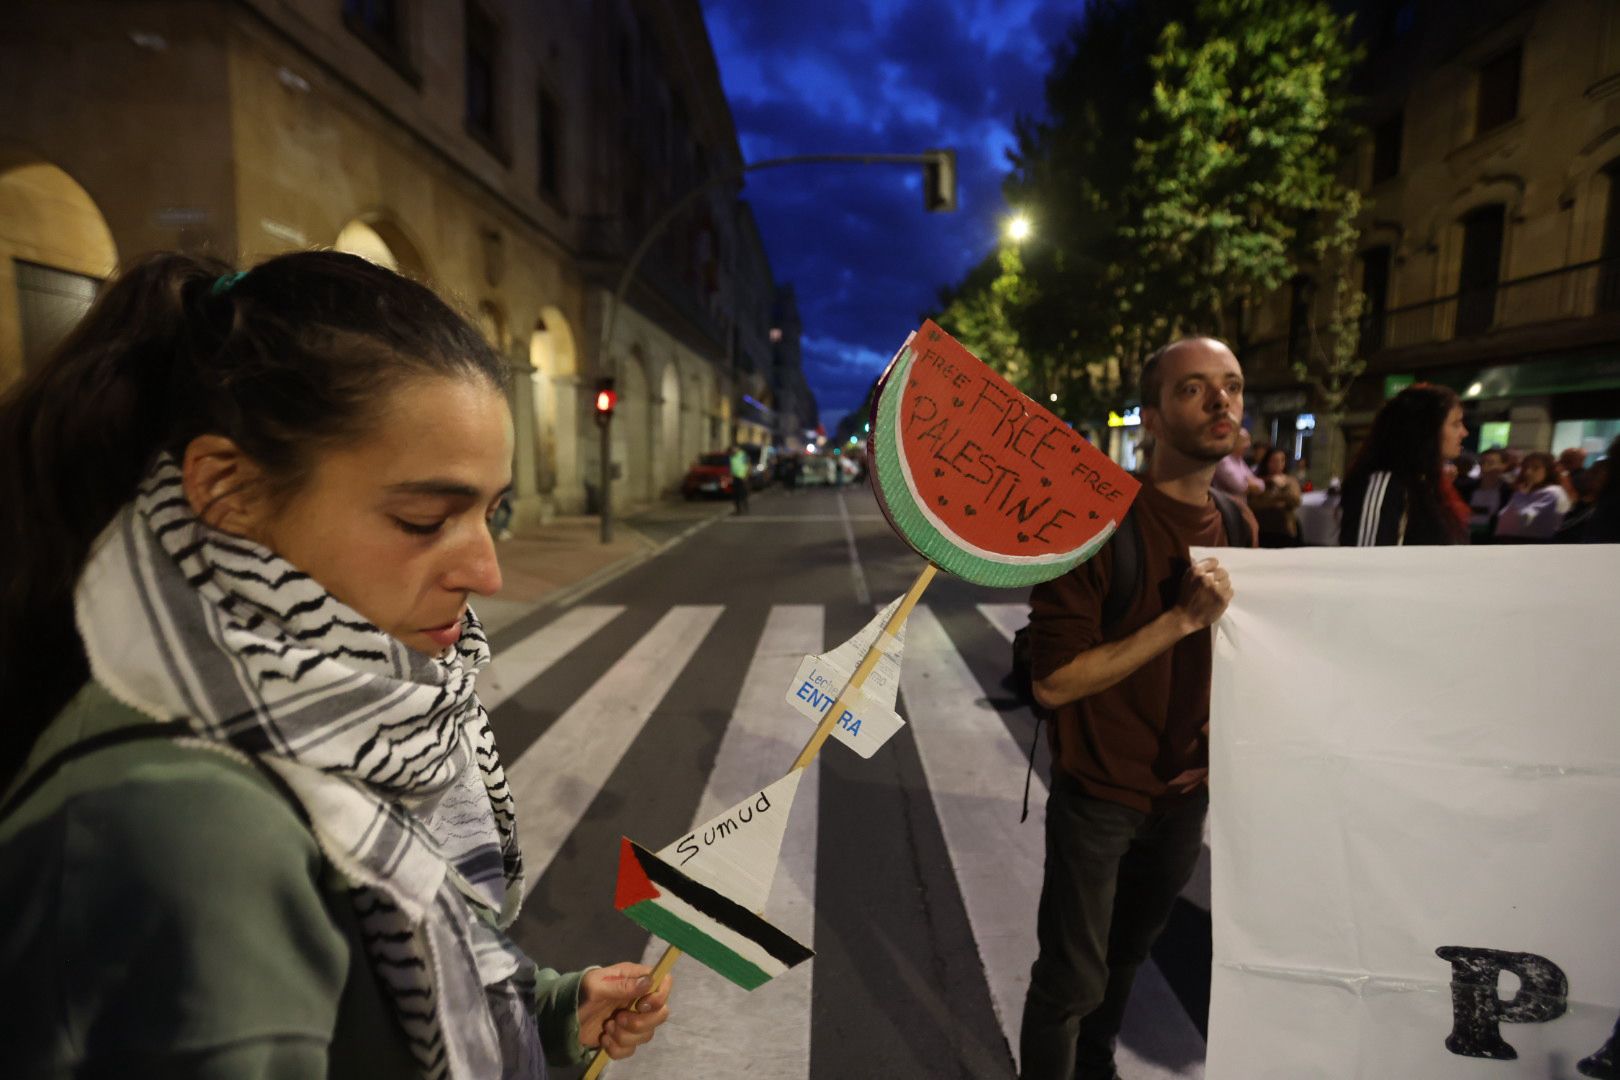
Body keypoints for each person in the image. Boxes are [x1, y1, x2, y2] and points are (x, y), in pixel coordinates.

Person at [0, 252, 671, 1076]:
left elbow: (384, 999)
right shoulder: (185, 827)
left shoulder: (347, 713)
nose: (486, 571)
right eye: (426, 517)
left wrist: (553, 1011)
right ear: (228, 489)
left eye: (491, 511)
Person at [1020, 337, 1256, 1080]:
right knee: (1070, 981)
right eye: (1195, 389)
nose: (1221, 401)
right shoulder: (1095, 523)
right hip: (1100, 796)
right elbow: (1053, 683)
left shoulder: (1241, 524)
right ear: (1152, 416)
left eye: (1232, 386)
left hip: (1184, 797)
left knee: (1129, 956)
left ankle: (1096, 1066)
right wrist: (1178, 621)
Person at [1339, 383, 1469, 546]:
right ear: (1426, 430)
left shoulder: (1427, 483)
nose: (1464, 432)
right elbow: (1366, 559)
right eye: (1455, 424)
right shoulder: (1386, 483)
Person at [1495, 450, 1567, 542]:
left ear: (1548, 470)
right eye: (1525, 468)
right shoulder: (1527, 490)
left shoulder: (1553, 492)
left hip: (1537, 544)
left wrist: (1520, 496)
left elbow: (1525, 518)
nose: (1528, 472)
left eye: (1535, 468)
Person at [1248, 446, 1303, 547]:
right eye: (1274, 460)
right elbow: (1254, 504)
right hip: (1264, 529)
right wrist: (1270, 483)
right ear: (1267, 462)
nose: (1278, 464)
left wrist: (1281, 489)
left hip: (1285, 529)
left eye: (1281, 460)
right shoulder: (1259, 481)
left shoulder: (1290, 480)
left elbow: (1296, 500)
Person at [1464, 448, 1513, 543]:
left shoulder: (1508, 492)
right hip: (1468, 539)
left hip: (1494, 541)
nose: (1485, 466)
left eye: (1491, 463)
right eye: (1482, 462)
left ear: (1504, 465)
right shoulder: (1466, 488)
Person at [1211, 426, 1264, 498]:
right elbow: (1240, 487)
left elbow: (1261, 485)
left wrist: (1250, 482)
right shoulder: (1223, 460)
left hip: (1240, 505)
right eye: (1244, 440)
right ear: (1233, 441)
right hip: (1226, 507)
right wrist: (1249, 482)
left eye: (1249, 440)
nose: (1248, 445)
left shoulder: (1239, 460)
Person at [728, 443, 751, 514]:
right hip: (735, 477)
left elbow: (748, 465)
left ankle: (745, 506)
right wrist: (731, 476)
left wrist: (746, 476)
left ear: (738, 448)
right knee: (735, 494)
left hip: (742, 477)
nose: (733, 450)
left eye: (734, 449)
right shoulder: (731, 456)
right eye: (732, 449)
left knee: (742, 493)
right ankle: (738, 509)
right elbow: (732, 467)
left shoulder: (743, 455)